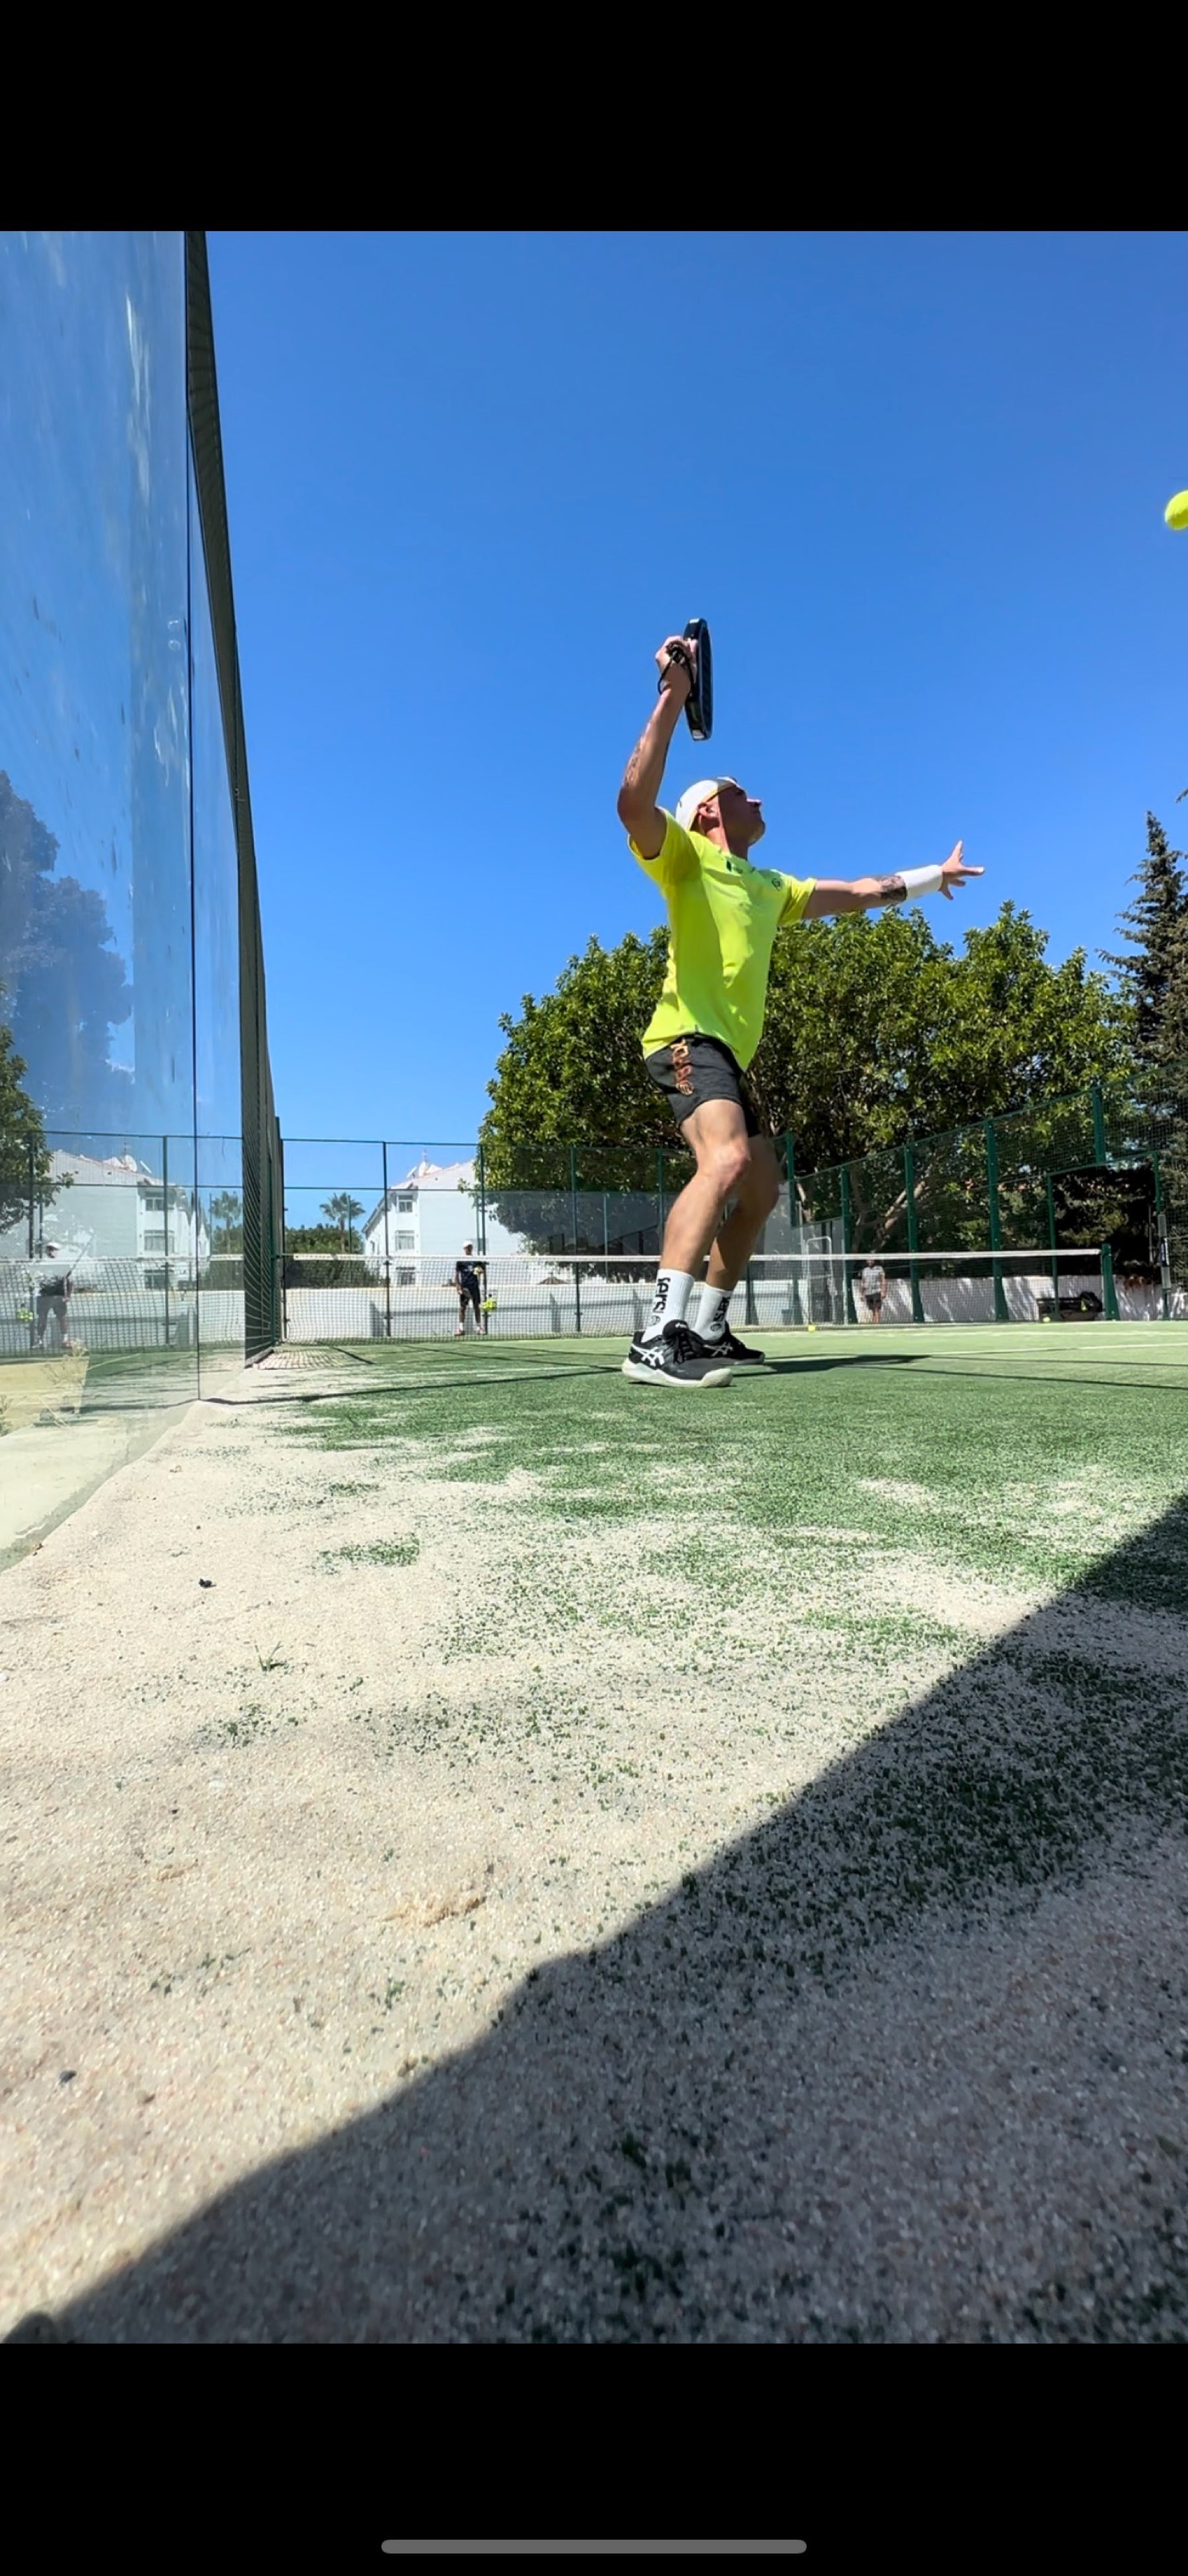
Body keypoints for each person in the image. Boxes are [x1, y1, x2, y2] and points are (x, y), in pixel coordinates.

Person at [616, 634, 983, 1386]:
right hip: (686, 1036)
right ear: (710, 810)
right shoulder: (684, 857)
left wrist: (930, 876)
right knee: (724, 1161)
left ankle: (709, 1326)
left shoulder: (771, 887)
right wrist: (673, 694)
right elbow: (631, 802)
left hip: (729, 1052)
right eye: (741, 790)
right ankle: (656, 1334)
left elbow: (859, 892)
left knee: (760, 1188)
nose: (758, 798)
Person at [34, 1243, 73, 1351]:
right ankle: (39, 1341)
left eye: (53, 1249)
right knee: (42, 1318)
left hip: (58, 1296)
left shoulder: (63, 1265)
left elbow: (70, 1282)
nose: (51, 1252)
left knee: (62, 1318)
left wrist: (68, 1296)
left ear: (57, 1251)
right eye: (49, 1249)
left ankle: (65, 1340)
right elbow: (35, 1278)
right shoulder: (41, 1264)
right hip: (44, 1296)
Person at [454, 1243, 488, 1337]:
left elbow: (483, 1269)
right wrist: (458, 1286)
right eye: (467, 1247)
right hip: (464, 1287)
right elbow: (457, 1274)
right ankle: (461, 1329)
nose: (469, 1249)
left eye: (470, 1247)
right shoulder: (460, 1261)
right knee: (462, 1308)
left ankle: (479, 1328)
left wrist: (480, 1270)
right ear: (464, 1248)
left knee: (476, 1307)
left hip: (474, 1287)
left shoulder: (476, 1259)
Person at [859, 1259, 887, 1323]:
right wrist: (861, 1293)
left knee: (877, 1308)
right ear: (867, 1261)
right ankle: (874, 1324)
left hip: (877, 1291)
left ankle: (878, 1324)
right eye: (869, 1260)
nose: (870, 1262)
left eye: (872, 1260)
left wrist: (883, 1291)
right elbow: (863, 1282)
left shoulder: (879, 1269)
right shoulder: (865, 1270)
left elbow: (883, 1280)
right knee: (873, 1310)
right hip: (868, 1292)